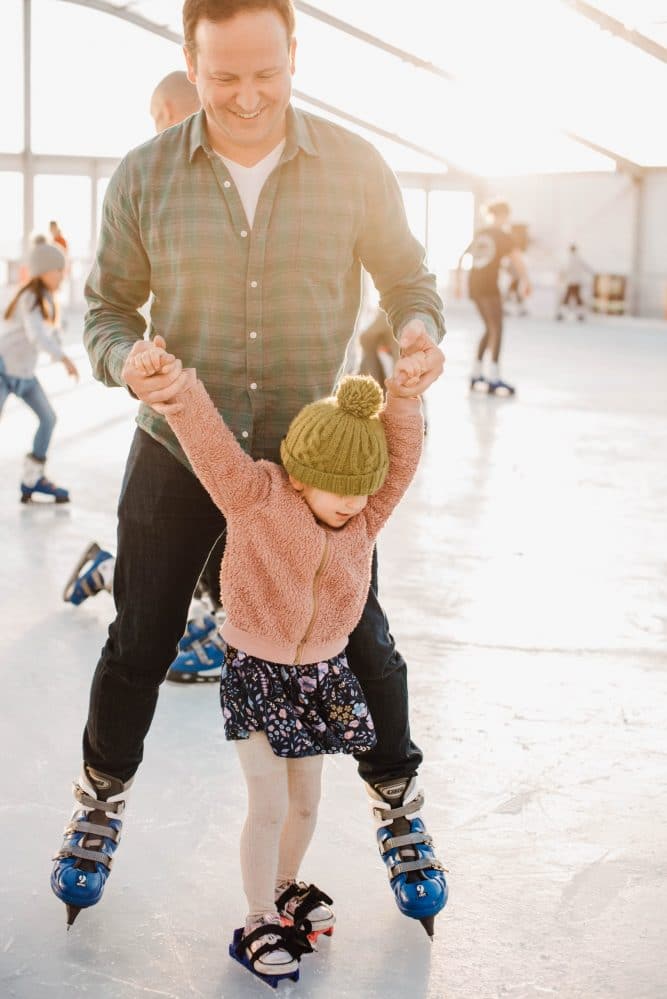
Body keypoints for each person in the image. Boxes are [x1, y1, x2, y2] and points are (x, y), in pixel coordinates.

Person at [51, 0, 447, 940]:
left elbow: (407, 281)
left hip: (316, 468)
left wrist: (417, 331)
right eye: (222, 75)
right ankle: (100, 800)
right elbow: (104, 307)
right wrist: (125, 361)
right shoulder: (147, 173)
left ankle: (397, 806)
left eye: (264, 72)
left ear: (294, 54)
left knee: (363, 639)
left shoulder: (353, 165)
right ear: (190, 61)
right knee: (140, 639)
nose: (245, 94)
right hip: (179, 448)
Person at [140, 350, 424, 984]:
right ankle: (257, 915)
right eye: (338, 487)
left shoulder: (364, 518)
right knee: (267, 804)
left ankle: (286, 884)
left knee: (306, 805)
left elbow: (399, 466)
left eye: (362, 490)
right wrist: (177, 388)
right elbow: (211, 448)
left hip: (321, 679)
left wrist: (403, 401)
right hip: (259, 675)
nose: (352, 503)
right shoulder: (258, 499)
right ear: (301, 473)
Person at [61, 69, 224, 683]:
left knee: (198, 545)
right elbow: (109, 307)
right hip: (181, 407)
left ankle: (106, 569)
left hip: (199, 403)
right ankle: (131, 586)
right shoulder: (153, 178)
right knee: (200, 546)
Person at [0, 241, 79, 502]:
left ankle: (32, 478)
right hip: (3, 371)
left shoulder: (45, 299)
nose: (62, 276)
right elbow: (36, 336)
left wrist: (59, 344)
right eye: (59, 270)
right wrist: (64, 358)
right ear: (44, 271)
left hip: (24, 374)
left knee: (48, 418)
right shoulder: (29, 297)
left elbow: (49, 334)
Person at [457, 199, 530, 395]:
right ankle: (494, 377)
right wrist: (525, 280)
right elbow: (517, 260)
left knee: (489, 328)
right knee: (498, 328)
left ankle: (476, 373)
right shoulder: (504, 236)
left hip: (475, 286)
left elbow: (463, 257)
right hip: (489, 287)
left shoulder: (482, 233)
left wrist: (458, 283)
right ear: (504, 215)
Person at [556, 243, 592, 321]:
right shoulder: (579, 259)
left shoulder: (569, 259)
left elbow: (564, 270)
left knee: (568, 297)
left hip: (570, 282)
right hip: (577, 282)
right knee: (577, 298)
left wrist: (561, 277)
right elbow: (587, 268)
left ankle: (563, 313)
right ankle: (580, 314)